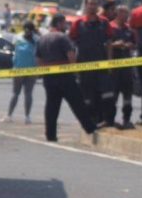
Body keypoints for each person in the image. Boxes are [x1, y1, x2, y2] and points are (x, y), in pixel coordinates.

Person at [36, 14, 97, 142]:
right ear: (58, 24)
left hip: (49, 77)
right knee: (78, 103)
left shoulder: (42, 39)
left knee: (52, 107)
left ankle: (50, 135)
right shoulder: (63, 37)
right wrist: (74, 71)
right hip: (64, 76)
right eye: (64, 23)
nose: (66, 26)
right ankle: (90, 128)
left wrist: (43, 73)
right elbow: (71, 55)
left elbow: (38, 59)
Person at [68, 0, 114, 128]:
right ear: (86, 5)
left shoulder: (104, 23)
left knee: (105, 93)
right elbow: (71, 45)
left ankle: (106, 120)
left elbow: (109, 44)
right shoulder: (78, 23)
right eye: (90, 3)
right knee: (87, 95)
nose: (92, 6)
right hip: (84, 65)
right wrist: (73, 65)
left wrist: (110, 63)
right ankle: (91, 120)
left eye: (95, 3)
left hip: (101, 64)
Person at [1, 21, 38, 124]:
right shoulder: (37, 39)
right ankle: (27, 117)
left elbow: (14, 50)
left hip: (18, 69)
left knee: (15, 93)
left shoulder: (18, 37)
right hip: (32, 70)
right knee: (28, 94)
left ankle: (9, 115)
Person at [109, 4, 136, 129]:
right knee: (112, 95)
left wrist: (130, 45)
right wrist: (115, 44)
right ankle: (110, 120)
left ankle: (126, 119)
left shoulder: (129, 30)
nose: (127, 15)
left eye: (127, 12)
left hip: (126, 67)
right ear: (118, 13)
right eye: (124, 12)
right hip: (113, 67)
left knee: (127, 95)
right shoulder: (110, 27)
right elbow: (105, 44)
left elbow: (136, 44)